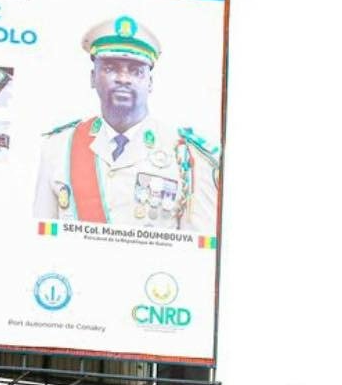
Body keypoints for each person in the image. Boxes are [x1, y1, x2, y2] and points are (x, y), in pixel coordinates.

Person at [32, 17, 219, 231]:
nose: (123, 78)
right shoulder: (58, 147)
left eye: (136, 71)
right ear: (93, 78)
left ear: (150, 83)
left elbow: (196, 250)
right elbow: (42, 236)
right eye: (110, 68)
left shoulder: (188, 155)